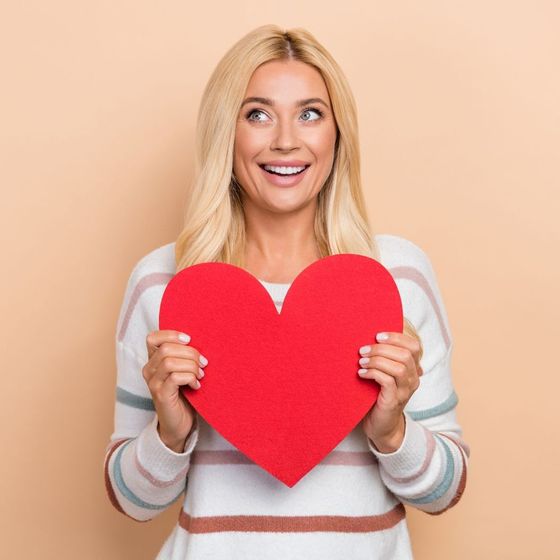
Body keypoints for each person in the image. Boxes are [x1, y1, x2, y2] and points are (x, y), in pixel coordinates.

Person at [103, 24, 470, 559]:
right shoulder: (164, 282)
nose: (285, 141)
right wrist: (169, 430)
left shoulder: (396, 276)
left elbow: (446, 491)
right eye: (257, 114)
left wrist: (392, 432)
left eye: (310, 113)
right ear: (225, 133)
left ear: (337, 133)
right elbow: (131, 502)